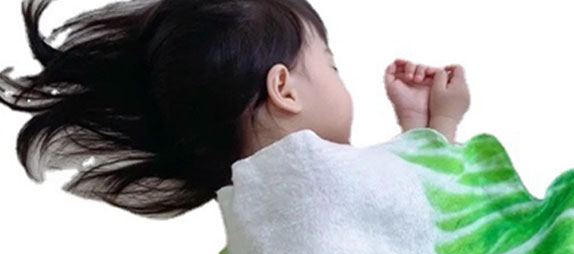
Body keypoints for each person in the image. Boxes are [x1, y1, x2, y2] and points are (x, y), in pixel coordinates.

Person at [0, 0, 470, 219]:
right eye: (331, 65)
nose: (338, 76)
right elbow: (427, 216)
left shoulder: (256, 214)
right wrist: (441, 121)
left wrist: (416, 125)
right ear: (284, 89)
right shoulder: (324, 186)